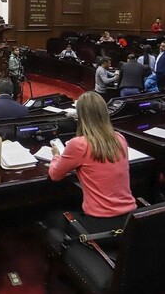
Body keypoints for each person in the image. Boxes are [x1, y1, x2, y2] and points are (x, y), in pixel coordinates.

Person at [45, 91, 136, 235]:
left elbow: (55, 175)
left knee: (50, 216)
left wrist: (56, 156)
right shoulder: (120, 138)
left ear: (80, 117)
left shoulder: (79, 145)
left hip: (100, 224)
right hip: (129, 220)